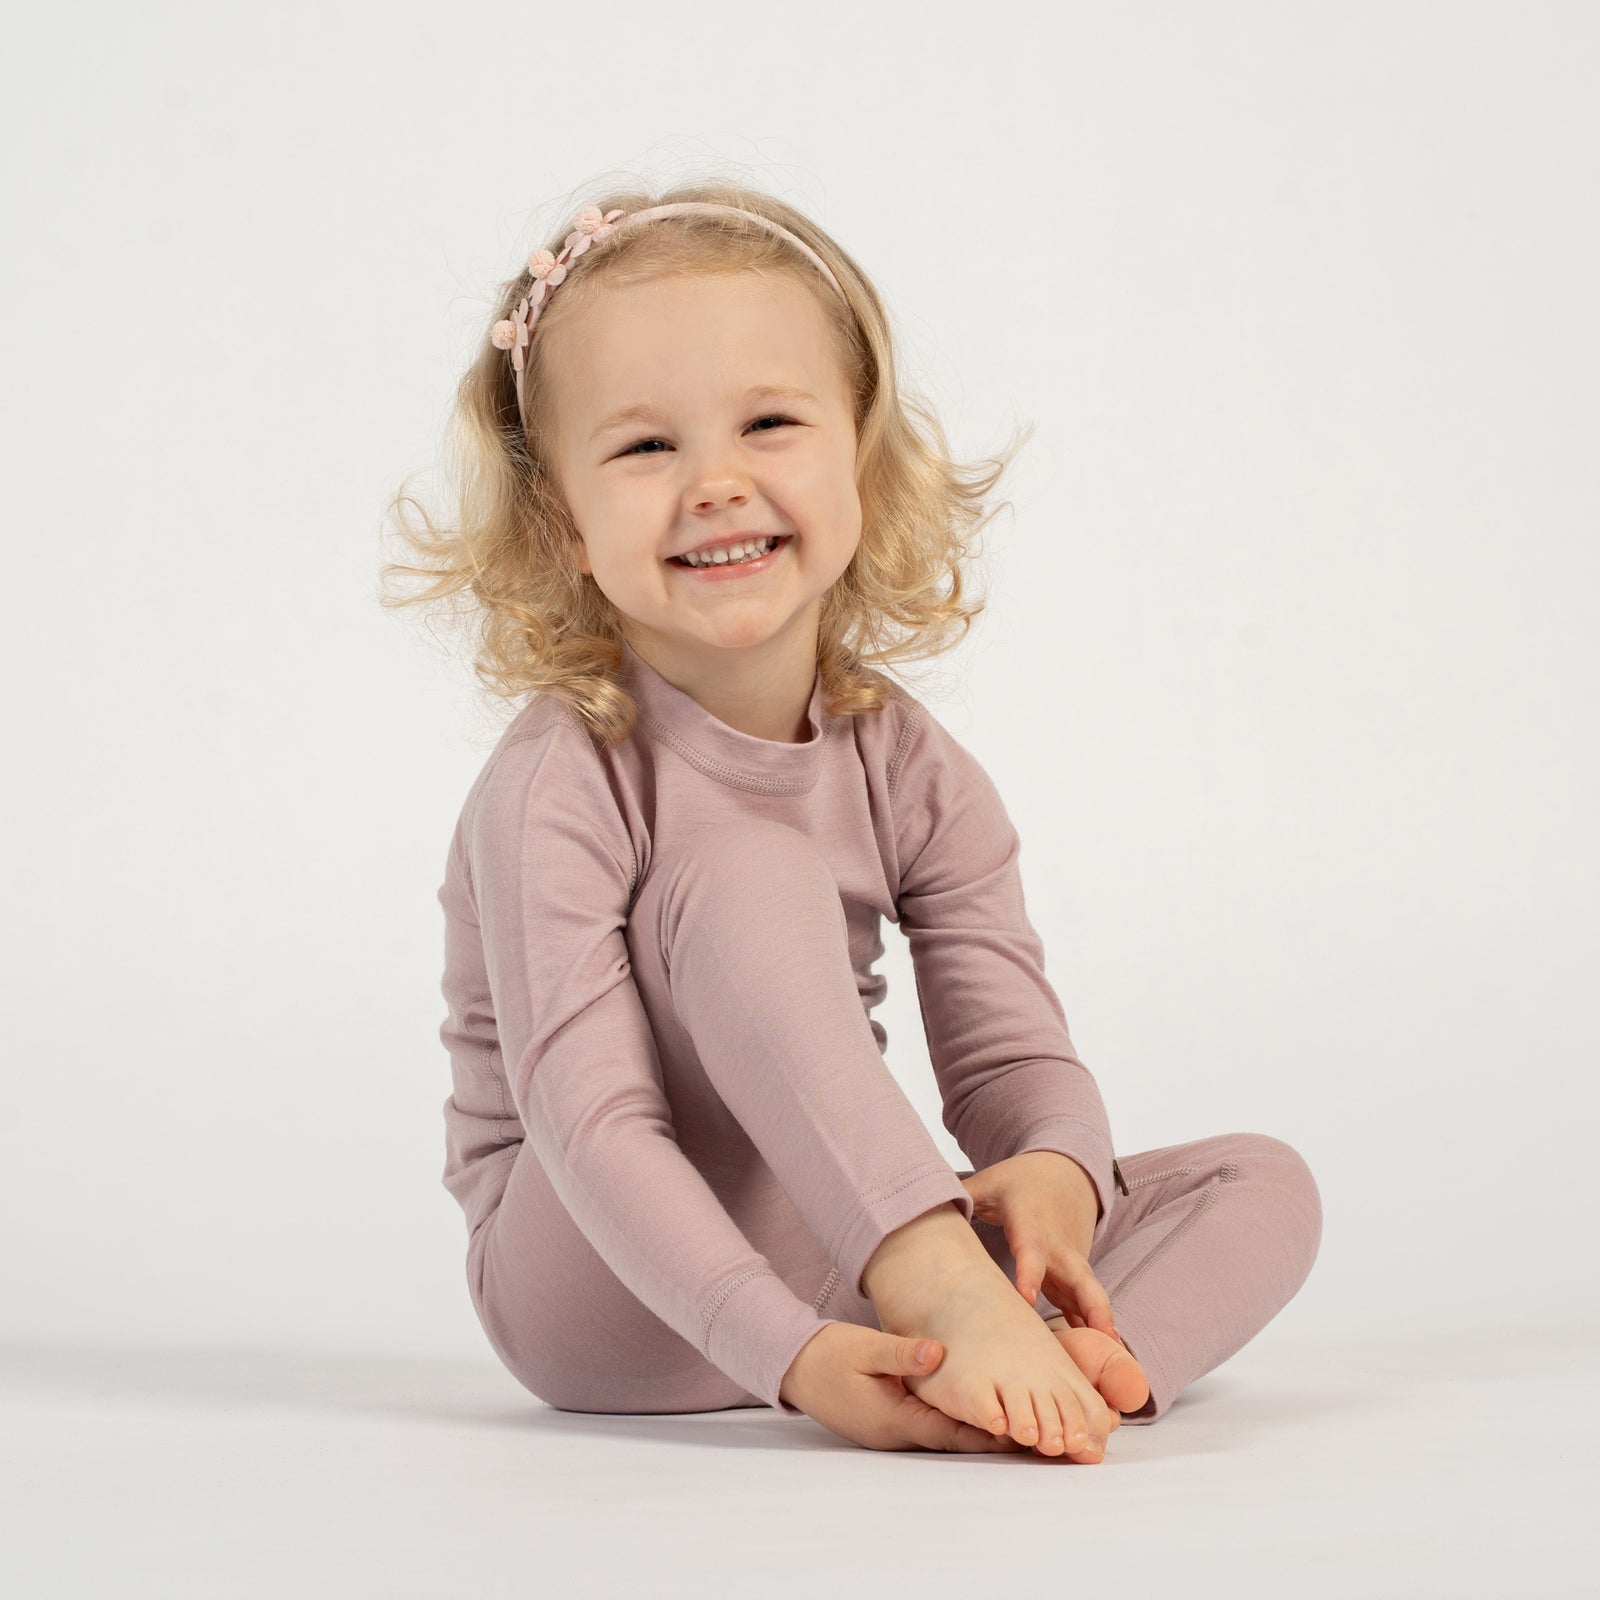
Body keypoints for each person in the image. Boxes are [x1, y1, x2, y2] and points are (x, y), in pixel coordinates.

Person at [379, 178, 1322, 1460]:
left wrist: (1057, 1169)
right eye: (646, 447)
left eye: (768, 423)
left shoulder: (911, 765)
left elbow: (1007, 1059)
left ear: (861, 462)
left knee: (1256, 1181)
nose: (716, 482)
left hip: (841, 1244)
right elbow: (591, 1130)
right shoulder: (560, 781)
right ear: (564, 524)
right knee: (741, 867)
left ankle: (1071, 1361)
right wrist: (795, 1359)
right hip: (602, 1289)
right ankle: (943, 1298)